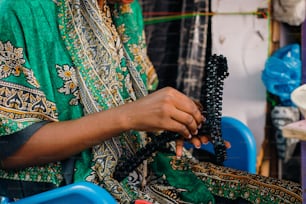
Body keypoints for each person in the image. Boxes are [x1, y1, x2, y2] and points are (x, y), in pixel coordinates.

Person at [0, 0, 302, 203]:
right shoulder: (15, 11)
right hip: (70, 194)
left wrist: (177, 119)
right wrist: (130, 116)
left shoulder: (123, 8)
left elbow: (140, 100)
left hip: (147, 174)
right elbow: (10, 151)